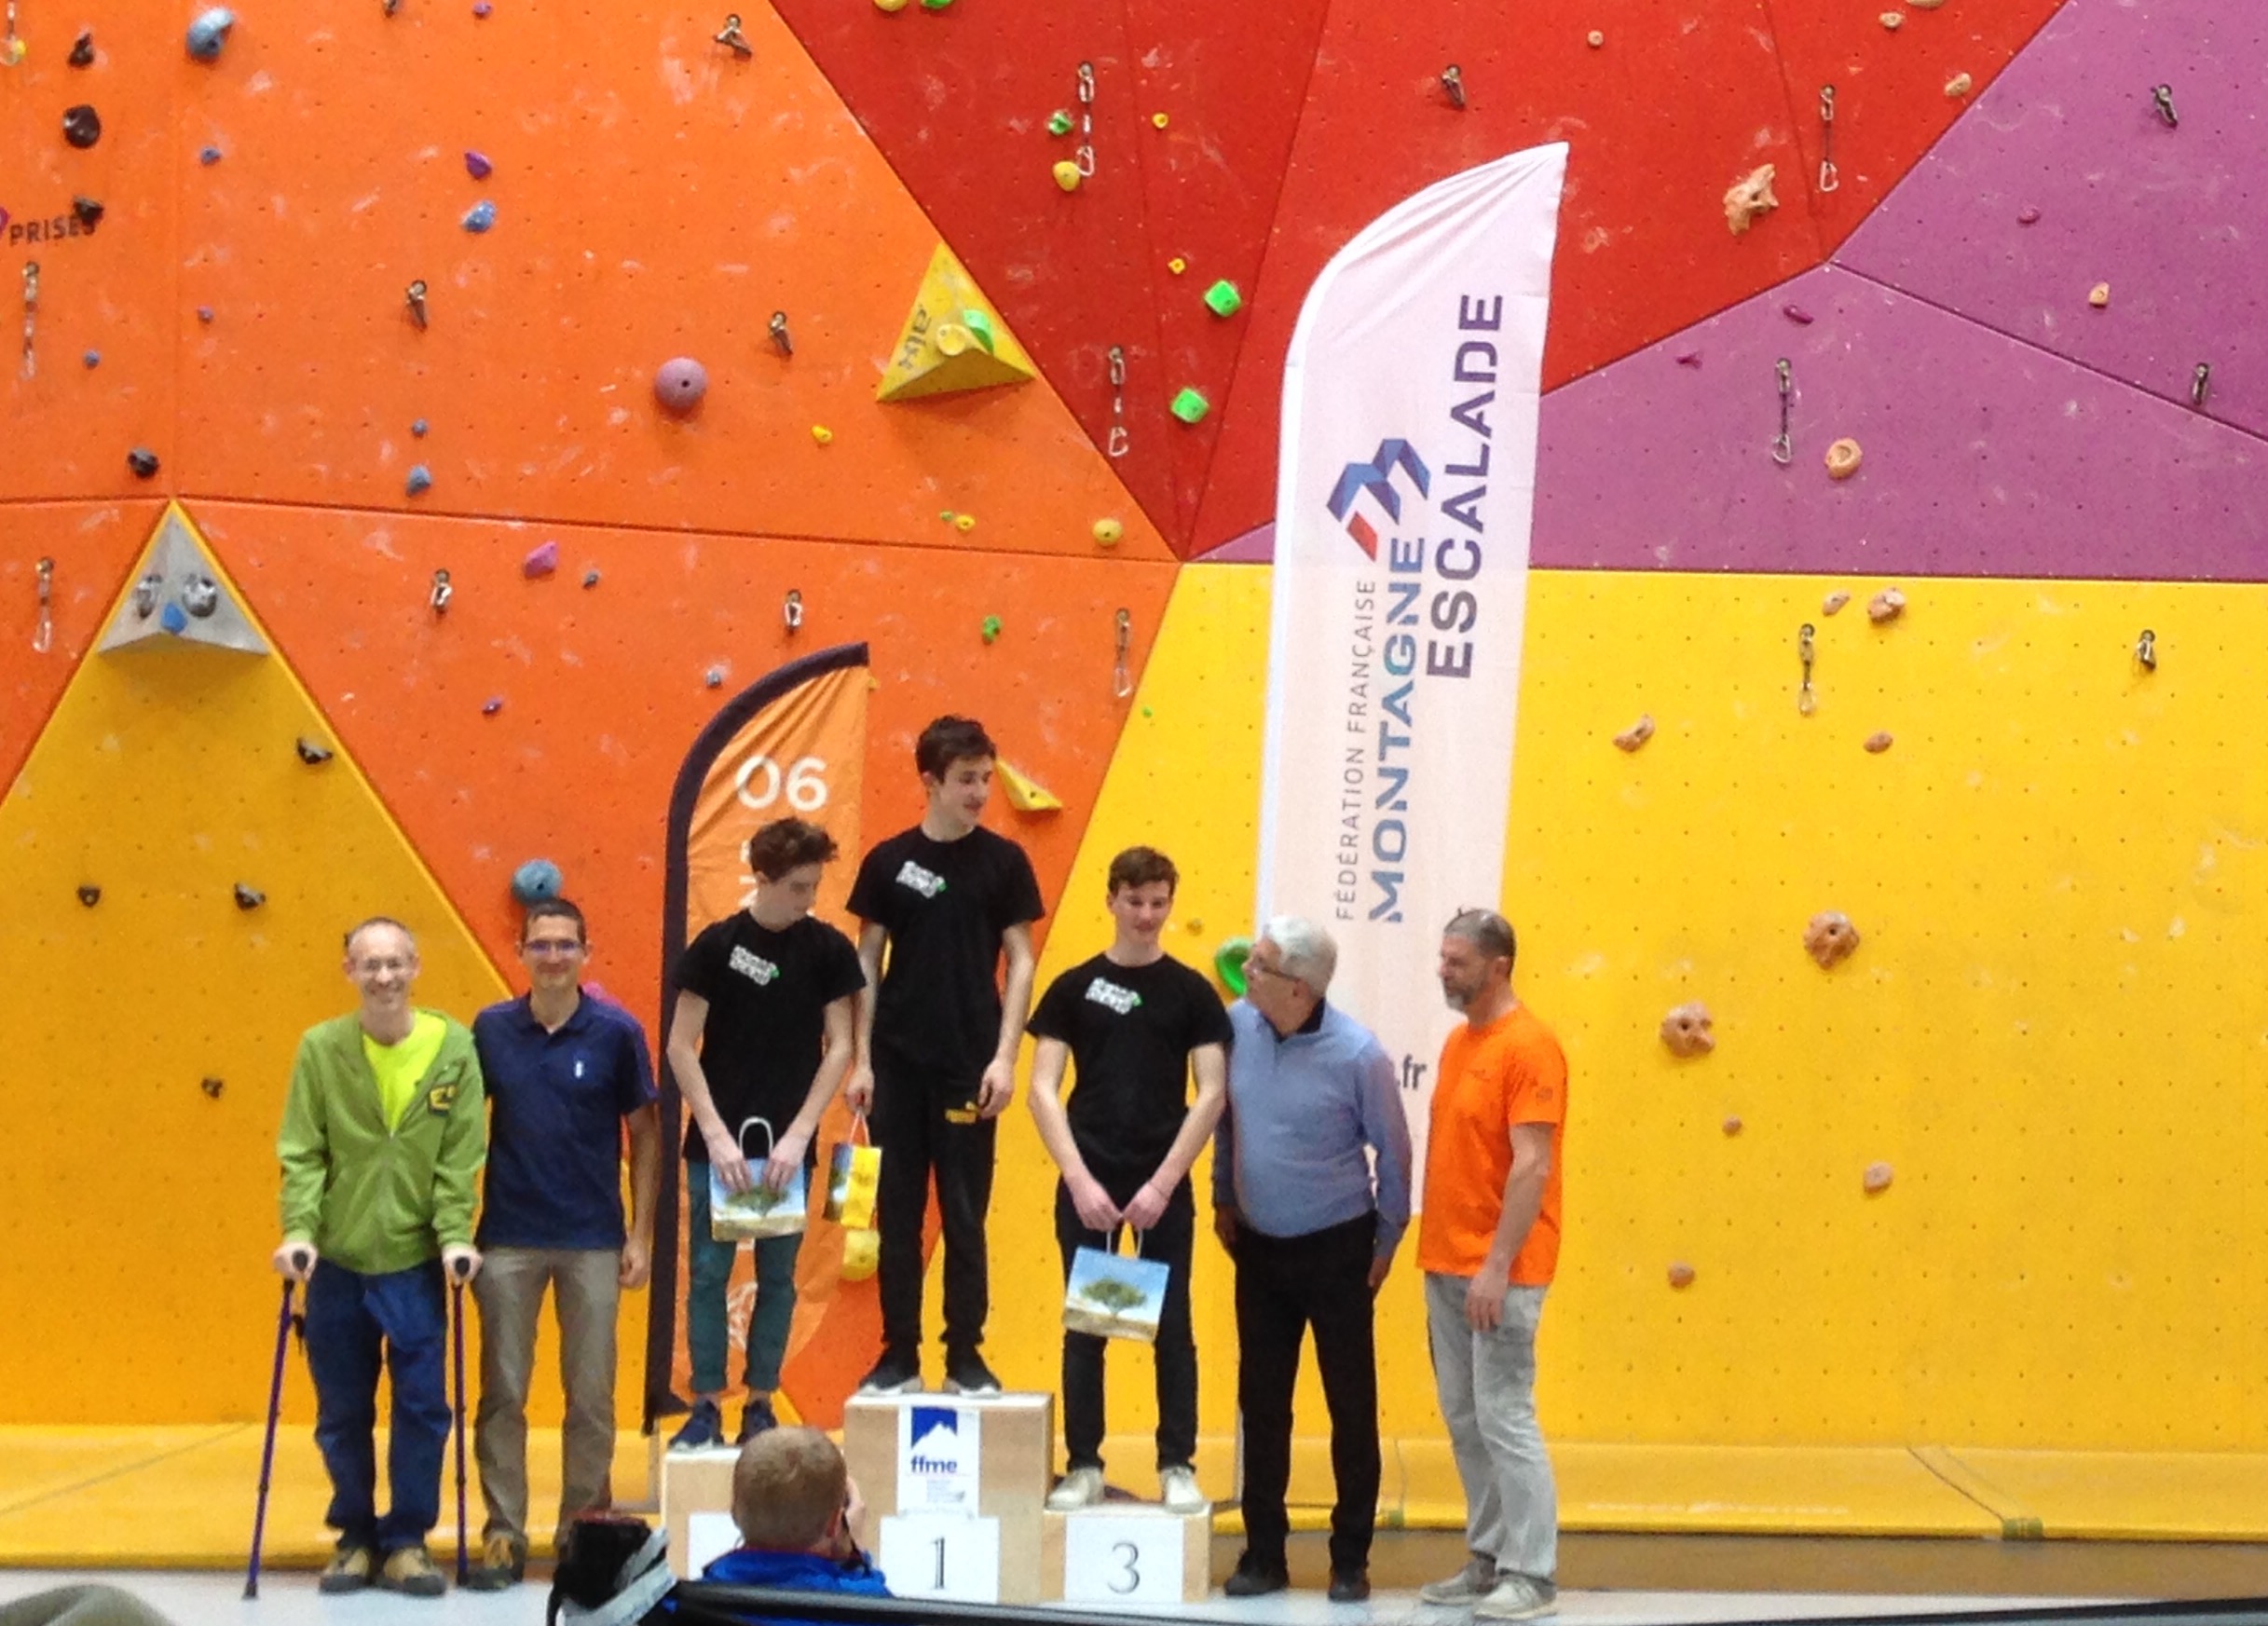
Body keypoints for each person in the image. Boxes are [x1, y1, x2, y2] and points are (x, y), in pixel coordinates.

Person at [273, 918, 486, 1599]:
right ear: (350, 971)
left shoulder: (453, 1047)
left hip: (413, 1261)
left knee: (422, 1406)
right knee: (342, 1410)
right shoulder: (322, 1049)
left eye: (395, 963)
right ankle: (356, 1537)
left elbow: (460, 1154)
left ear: (416, 966)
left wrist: (454, 1234)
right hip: (337, 1261)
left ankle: (407, 1540)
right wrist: (300, 1230)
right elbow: (303, 1150)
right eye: (371, 964)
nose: (385, 976)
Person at [1211, 917, 1411, 1603]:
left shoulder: (1359, 1055)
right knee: (1262, 1405)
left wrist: (1386, 1241)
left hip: (1338, 1248)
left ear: (1299, 987)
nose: (1246, 971)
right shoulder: (1236, 1027)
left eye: (1259, 964)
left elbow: (1395, 1152)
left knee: (1350, 1406)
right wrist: (1222, 1195)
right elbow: (1225, 1119)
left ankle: (1350, 1558)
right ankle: (1264, 1553)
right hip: (1258, 1247)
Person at [1026, 847, 1230, 1515]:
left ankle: (1177, 1464)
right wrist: (1079, 1179)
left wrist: (1164, 1183)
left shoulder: (1192, 993)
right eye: (1135, 901)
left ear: (1171, 904)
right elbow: (1042, 1089)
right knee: (1087, 1325)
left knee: (1172, 1325)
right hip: (1090, 1181)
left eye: (1158, 902)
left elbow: (1211, 1093)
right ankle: (1084, 1464)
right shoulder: (1074, 987)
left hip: (1160, 1185)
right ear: (1111, 899)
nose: (1146, 914)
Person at [466, 898, 662, 1591]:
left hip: (593, 1242)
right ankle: (504, 1532)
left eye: (565, 945)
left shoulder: (617, 1032)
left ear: (586, 952)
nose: (553, 956)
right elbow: (457, 1133)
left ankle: (582, 1531)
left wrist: (640, 1234)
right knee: (502, 1393)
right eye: (541, 944)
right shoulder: (489, 1030)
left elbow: (645, 1134)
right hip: (506, 1240)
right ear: (520, 951)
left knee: (591, 1397)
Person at [844, 717, 1044, 1397]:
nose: (980, 792)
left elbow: (1021, 961)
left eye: (986, 778)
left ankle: (965, 1355)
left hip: (969, 1063)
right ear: (929, 781)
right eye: (966, 780)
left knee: (963, 1214)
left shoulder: (1004, 863)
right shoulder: (888, 861)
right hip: (898, 1064)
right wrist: (862, 1060)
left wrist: (1005, 1057)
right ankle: (899, 1353)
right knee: (897, 1213)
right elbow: (866, 963)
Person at [668, 818, 866, 1446]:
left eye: (814, 886)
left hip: (785, 1148)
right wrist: (715, 1134)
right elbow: (680, 1046)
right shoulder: (717, 945)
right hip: (720, 1146)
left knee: (780, 1276)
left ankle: (760, 1401)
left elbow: (840, 1046)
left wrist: (801, 1133)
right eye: (798, 887)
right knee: (708, 1272)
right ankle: (705, 1402)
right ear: (762, 878)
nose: (809, 899)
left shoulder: (828, 950)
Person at [1417, 910, 1567, 1622]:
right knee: (1465, 1417)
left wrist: (1497, 1264)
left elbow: (1532, 1163)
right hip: (1447, 1261)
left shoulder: (1530, 1047)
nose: (1443, 970)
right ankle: (1489, 1554)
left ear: (1498, 965)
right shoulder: (1458, 1041)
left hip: (1500, 1270)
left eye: (1457, 960)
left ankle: (1532, 1572)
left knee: (1505, 1415)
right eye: (1443, 957)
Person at [698, 1428, 892, 1602]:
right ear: (834, 1524)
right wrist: (855, 1557)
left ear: (734, 1511)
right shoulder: (862, 1605)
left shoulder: (692, 1603)